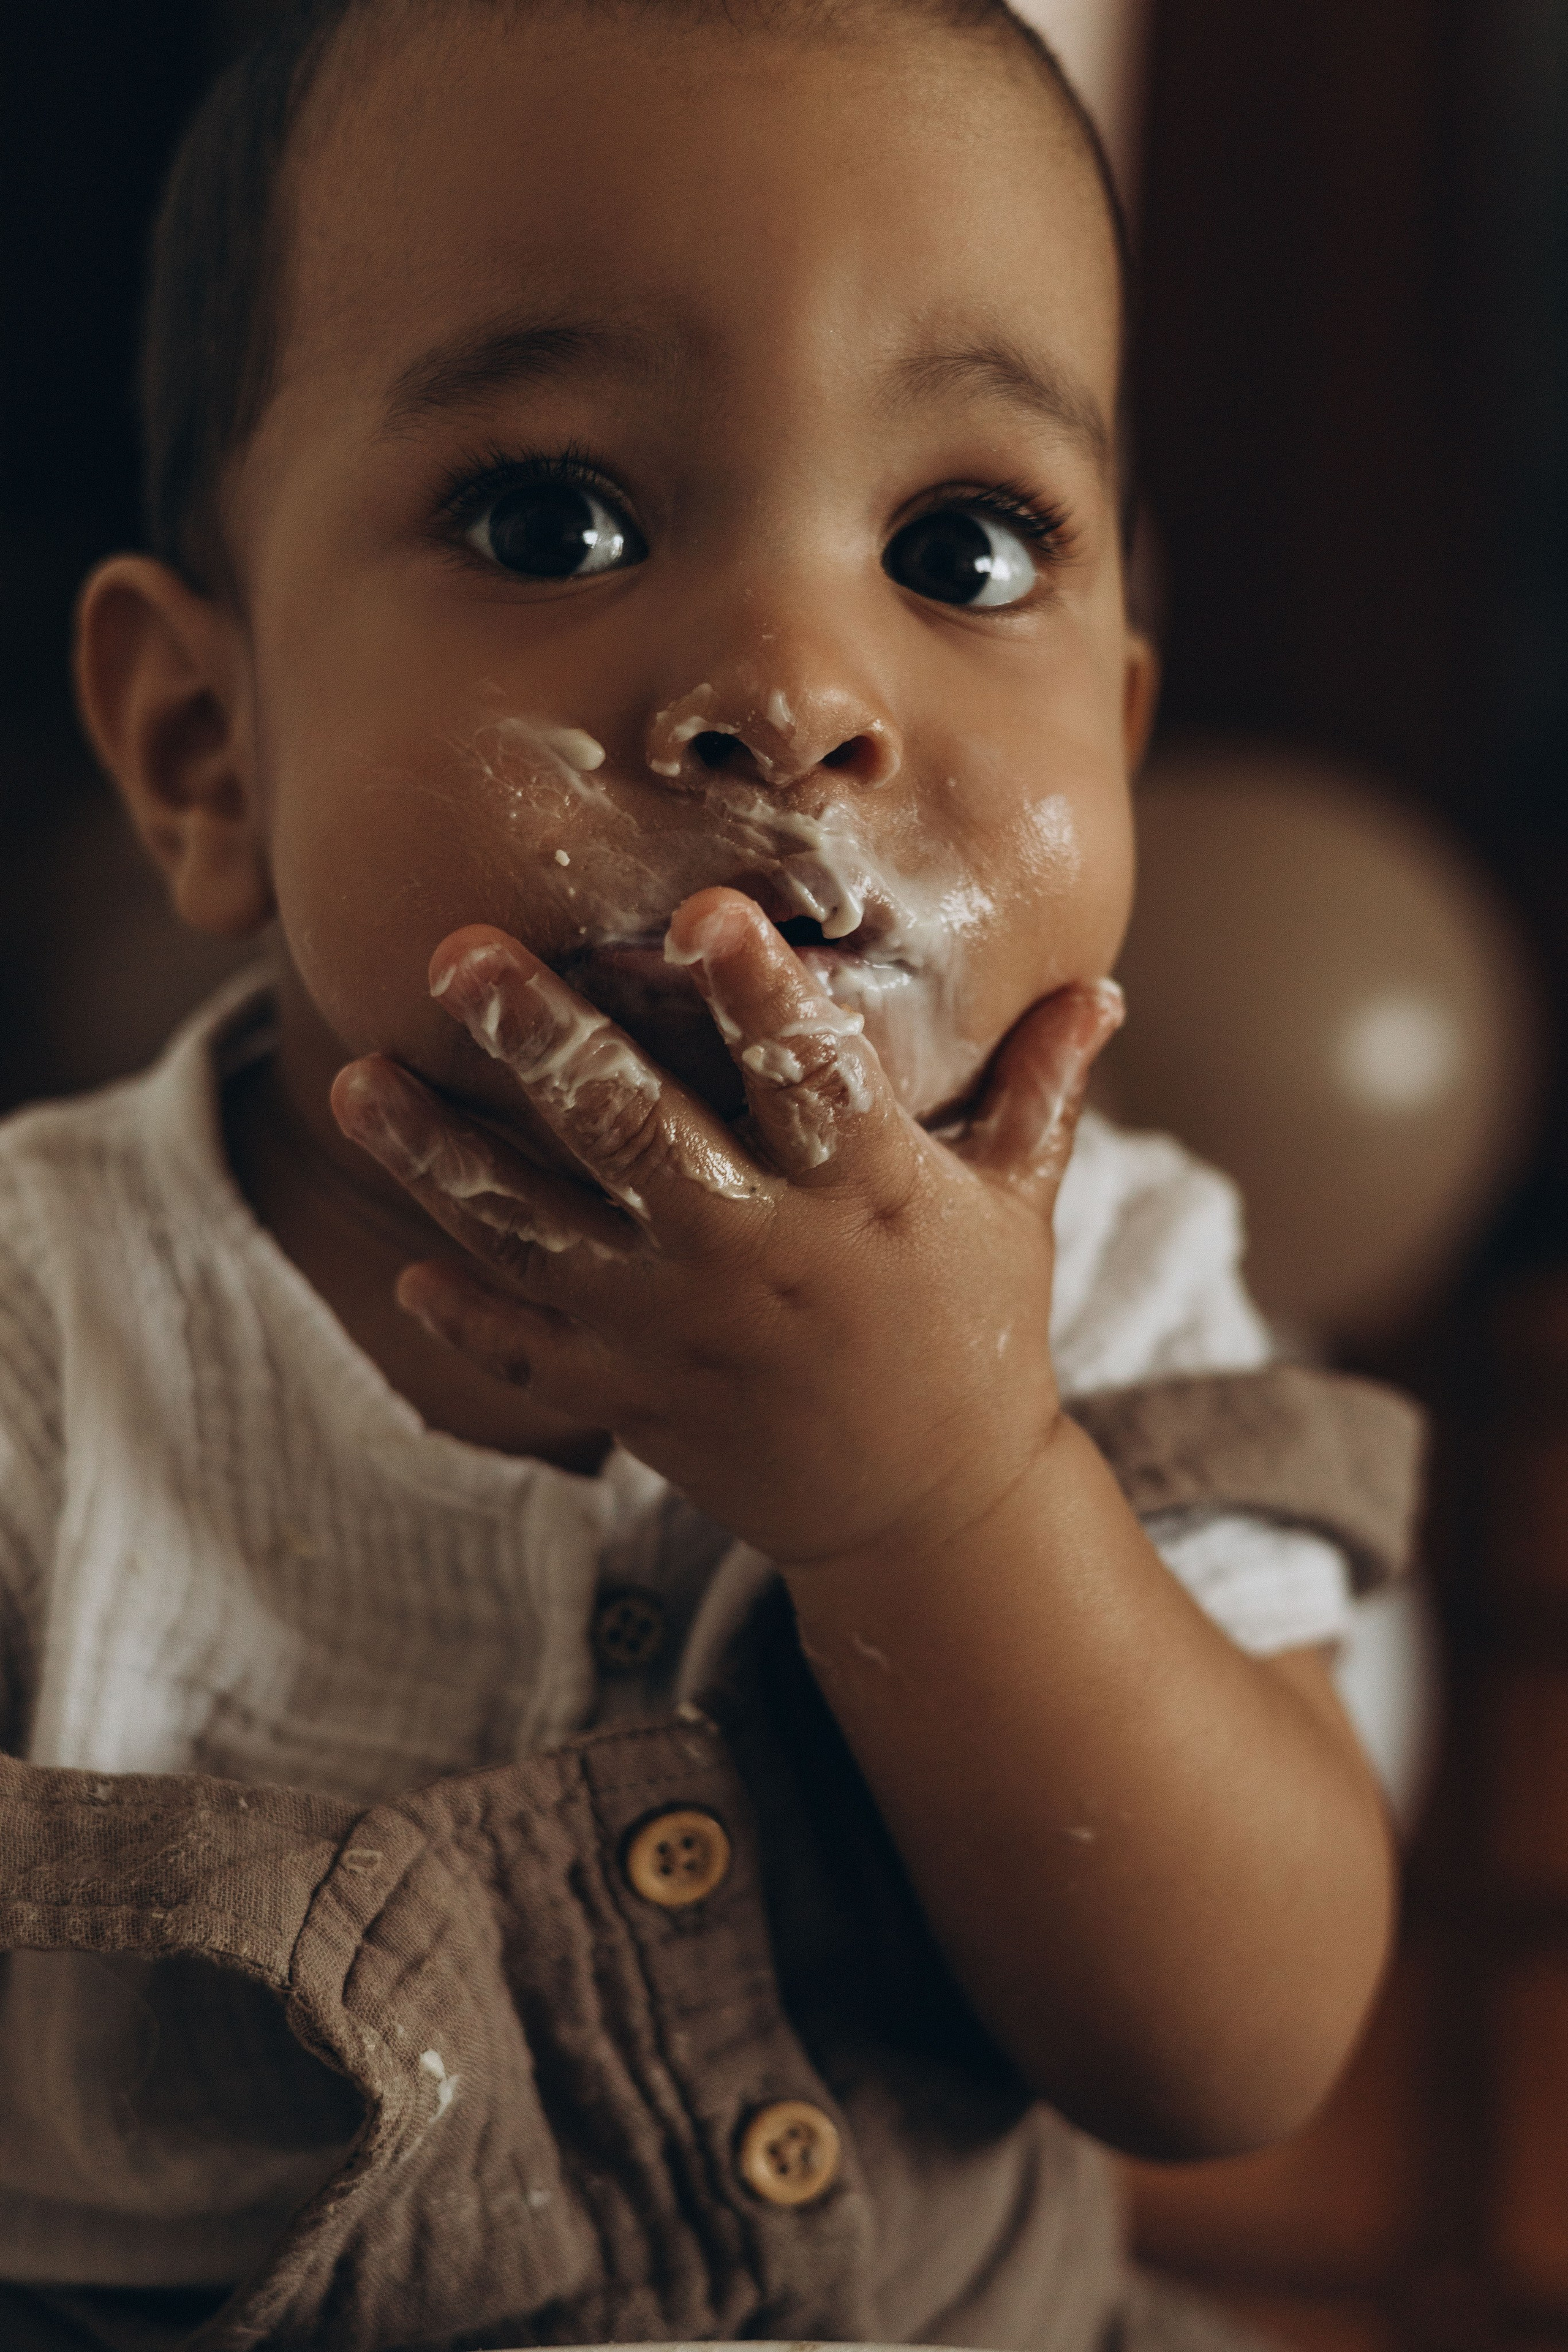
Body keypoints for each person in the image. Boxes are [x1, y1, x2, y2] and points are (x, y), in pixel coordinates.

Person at [0, 0, 1422, 2345]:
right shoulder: (60, 1345)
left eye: (962, 547)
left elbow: (1228, 2051)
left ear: (1130, 746)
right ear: (205, 744)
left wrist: (952, 1495)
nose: (795, 688)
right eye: (553, 516)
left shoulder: (1122, 1281)